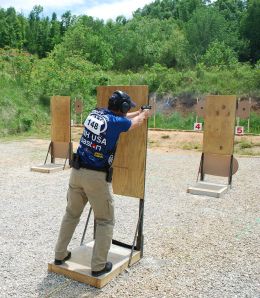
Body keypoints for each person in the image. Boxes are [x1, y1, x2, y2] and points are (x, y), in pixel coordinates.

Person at [54, 90, 151, 277]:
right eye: (126, 108)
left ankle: (60, 254)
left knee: (71, 214)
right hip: (96, 177)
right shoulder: (118, 122)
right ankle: (98, 265)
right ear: (122, 108)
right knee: (106, 220)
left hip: (76, 173)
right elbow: (134, 123)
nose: (126, 111)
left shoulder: (95, 113)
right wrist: (144, 115)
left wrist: (138, 111)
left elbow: (122, 118)